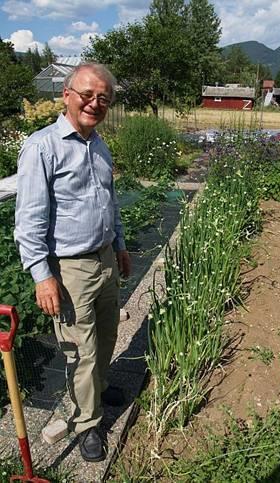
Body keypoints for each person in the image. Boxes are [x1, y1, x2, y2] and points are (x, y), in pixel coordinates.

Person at [14, 63, 131, 463]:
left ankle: (95, 392)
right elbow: (29, 221)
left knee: (106, 337)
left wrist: (120, 244)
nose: (95, 104)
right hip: (70, 269)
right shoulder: (41, 147)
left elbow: (109, 201)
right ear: (66, 95)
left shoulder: (99, 145)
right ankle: (87, 423)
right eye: (87, 95)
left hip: (104, 261)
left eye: (104, 98)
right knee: (79, 351)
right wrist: (42, 276)